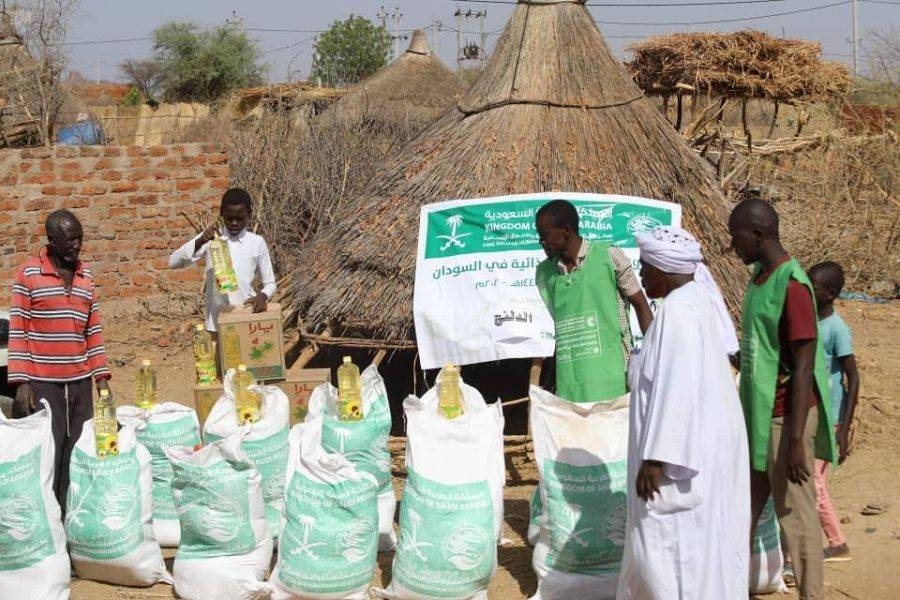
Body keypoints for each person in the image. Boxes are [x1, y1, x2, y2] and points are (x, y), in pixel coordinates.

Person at [617, 226, 748, 600]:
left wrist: (657, 458)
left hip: (677, 460)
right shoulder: (692, 302)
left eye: (645, 267)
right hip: (697, 451)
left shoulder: (679, 312)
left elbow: (677, 388)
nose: (642, 276)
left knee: (673, 553)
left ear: (663, 268)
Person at [728, 198, 836, 600]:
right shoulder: (759, 277)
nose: (732, 245)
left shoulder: (791, 285)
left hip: (783, 418)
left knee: (797, 515)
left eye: (736, 237)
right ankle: (729, 584)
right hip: (757, 413)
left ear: (758, 235)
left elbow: (804, 366)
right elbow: (766, 344)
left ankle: (812, 594)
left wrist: (794, 442)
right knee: (746, 507)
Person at [8, 209, 112, 509]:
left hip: (80, 381)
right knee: (49, 454)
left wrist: (101, 377)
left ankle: (73, 516)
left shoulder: (86, 275)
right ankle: (48, 517)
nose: (77, 246)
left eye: (80, 239)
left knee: (78, 451)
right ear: (52, 240)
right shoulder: (29, 274)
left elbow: (93, 330)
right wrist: (21, 381)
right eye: (70, 240)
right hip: (44, 383)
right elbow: (19, 328)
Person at [534, 199, 653, 404]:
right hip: (571, 385)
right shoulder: (548, 273)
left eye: (545, 235)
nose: (541, 242)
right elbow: (566, 327)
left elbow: (641, 305)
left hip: (614, 378)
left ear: (566, 230)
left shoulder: (610, 257)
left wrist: (654, 356)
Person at [169, 187, 277, 342]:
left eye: (240, 219)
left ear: (249, 215)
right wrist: (200, 241)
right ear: (221, 214)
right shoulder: (212, 238)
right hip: (217, 321)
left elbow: (270, 283)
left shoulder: (256, 242)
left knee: (243, 365)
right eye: (229, 218)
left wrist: (263, 295)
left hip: (246, 316)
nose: (234, 223)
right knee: (220, 365)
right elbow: (173, 262)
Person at [809, 261, 859, 563]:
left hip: (831, 418)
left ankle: (836, 542)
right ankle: (834, 541)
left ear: (830, 293)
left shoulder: (837, 328)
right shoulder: (811, 321)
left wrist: (843, 429)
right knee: (814, 482)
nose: (808, 293)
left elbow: (853, 378)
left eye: (813, 289)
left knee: (814, 482)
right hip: (814, 414)